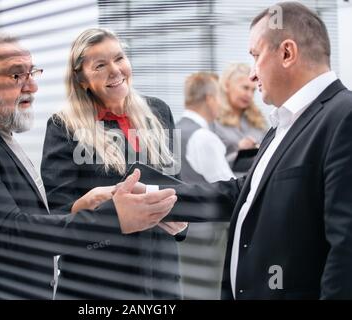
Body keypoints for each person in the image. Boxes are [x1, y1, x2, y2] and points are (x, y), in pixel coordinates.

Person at [0, 33, 177, 300]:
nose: (32, 86)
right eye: (16, 76)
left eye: (32, 73)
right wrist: (114, 217)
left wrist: (83, 206)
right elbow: (12, 233)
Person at [144, 1, 352, 299]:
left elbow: (346, 250)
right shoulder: (285, 122)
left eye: (255, 56)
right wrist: (152, 195)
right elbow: (244, 192)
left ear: (287, 53)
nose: (252, 75)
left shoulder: (343, 116)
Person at [41, 28, 188, 299]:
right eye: (100, 65)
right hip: (99, 281)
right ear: (82, 79)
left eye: (119, 58)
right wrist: (91, 202)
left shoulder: (159, 112)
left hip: (161, 275)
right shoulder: (64, 126)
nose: (115, 70)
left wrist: (183, 223)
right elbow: (57, 213)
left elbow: (175, 188)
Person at [176, 72, 234, 299]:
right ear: (210, 99)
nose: (221, 104)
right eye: (219, 98)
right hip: (208, 239)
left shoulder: (172, 131)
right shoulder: (204, 138)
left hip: (182, 233)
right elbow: (230, 189)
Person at [212, 63, 268, 170]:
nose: (249, 95)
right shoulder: (212, 121)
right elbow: (207, 165)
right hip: (227, 183)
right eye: (245, 88)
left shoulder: (257, 119)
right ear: (227, 85)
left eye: (253, 90)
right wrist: (239, 151)